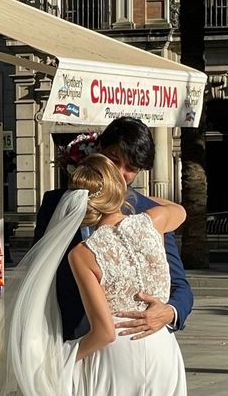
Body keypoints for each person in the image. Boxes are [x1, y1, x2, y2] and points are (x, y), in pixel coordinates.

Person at [0, 154, 187, 396]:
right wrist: (132, 198)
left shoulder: (83, 254)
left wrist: (65, 359)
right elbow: (180, 210)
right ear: (120, 191)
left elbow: (104, 333)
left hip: (117, 355)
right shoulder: (154, 221)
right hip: (161, 347)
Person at [34, 117, 193, 341]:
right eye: (114, 160)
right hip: (66, 335)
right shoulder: (55, 203)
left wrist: (169, 312)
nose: (119, 173)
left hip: (131, 340)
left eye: (131, 168)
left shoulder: (148, 212)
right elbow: (39, 272)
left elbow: (180, 285)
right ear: (99, 151)